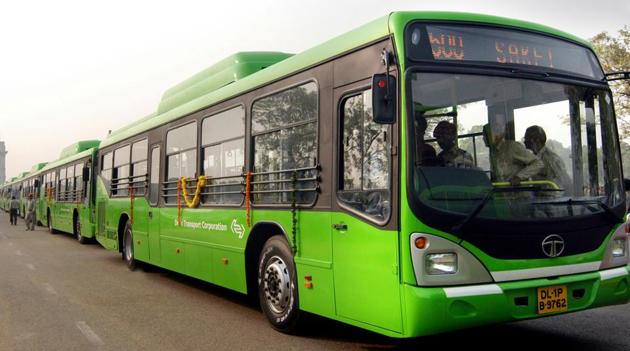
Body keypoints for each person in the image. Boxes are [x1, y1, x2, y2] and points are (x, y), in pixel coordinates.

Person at [524, 125, 572, 191]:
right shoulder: (532, 157)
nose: (524, 142)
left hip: (551, 198)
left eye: (527, 139)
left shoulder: (551, 159)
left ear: (537, 141)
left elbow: (563, 183)